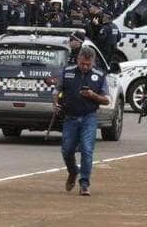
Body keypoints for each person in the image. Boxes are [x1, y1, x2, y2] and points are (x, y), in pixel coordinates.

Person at [53, 46, 111, 196]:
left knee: (87, 149)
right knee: (67, 150)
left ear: (93, 62)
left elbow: (106, 100)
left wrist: (93, 95)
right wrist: (55, 103)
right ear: (78, 59)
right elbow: (56, 90)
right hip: (70, 117)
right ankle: (73, 172)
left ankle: (84, 183)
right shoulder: (67, 72)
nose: (85, 67)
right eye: (83, 63)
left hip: (89, 117)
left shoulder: (99, 76)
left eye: (88, 64)